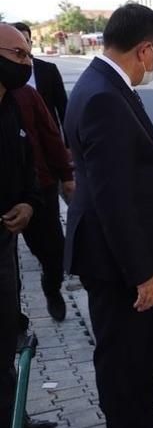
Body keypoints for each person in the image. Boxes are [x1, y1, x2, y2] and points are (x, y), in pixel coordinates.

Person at [63, 4, 153, 428]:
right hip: (117, 261)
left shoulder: (101, 84)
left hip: (124, 254)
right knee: (122, 356)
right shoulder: (104, 97)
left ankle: (147, 422)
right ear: (143, 50)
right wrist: (141, 272)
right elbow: (113, 198)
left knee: (141, 348)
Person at [0, 22, 58, 428]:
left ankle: (8, 412)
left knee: (6, 326)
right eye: (18, 55)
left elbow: (28, 168)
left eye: (28, 55)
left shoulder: (14, 106)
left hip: (4, 242)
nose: (27, 63)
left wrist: (28, 203)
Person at [10, 83, 75, 322]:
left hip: (40, 186)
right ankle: (13, 316)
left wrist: (66, 176)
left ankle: (52, 287)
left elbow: (50, 135)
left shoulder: (27, 94)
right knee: (7, 265)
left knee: (54, 251)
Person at [11, 23, 68, 135]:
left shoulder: (49, 70)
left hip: (47, 136)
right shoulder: (5, 72)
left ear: (31, 44)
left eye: (26, 41)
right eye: (17, 41)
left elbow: (63, 108)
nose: (22, 46)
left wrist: (67, 142)